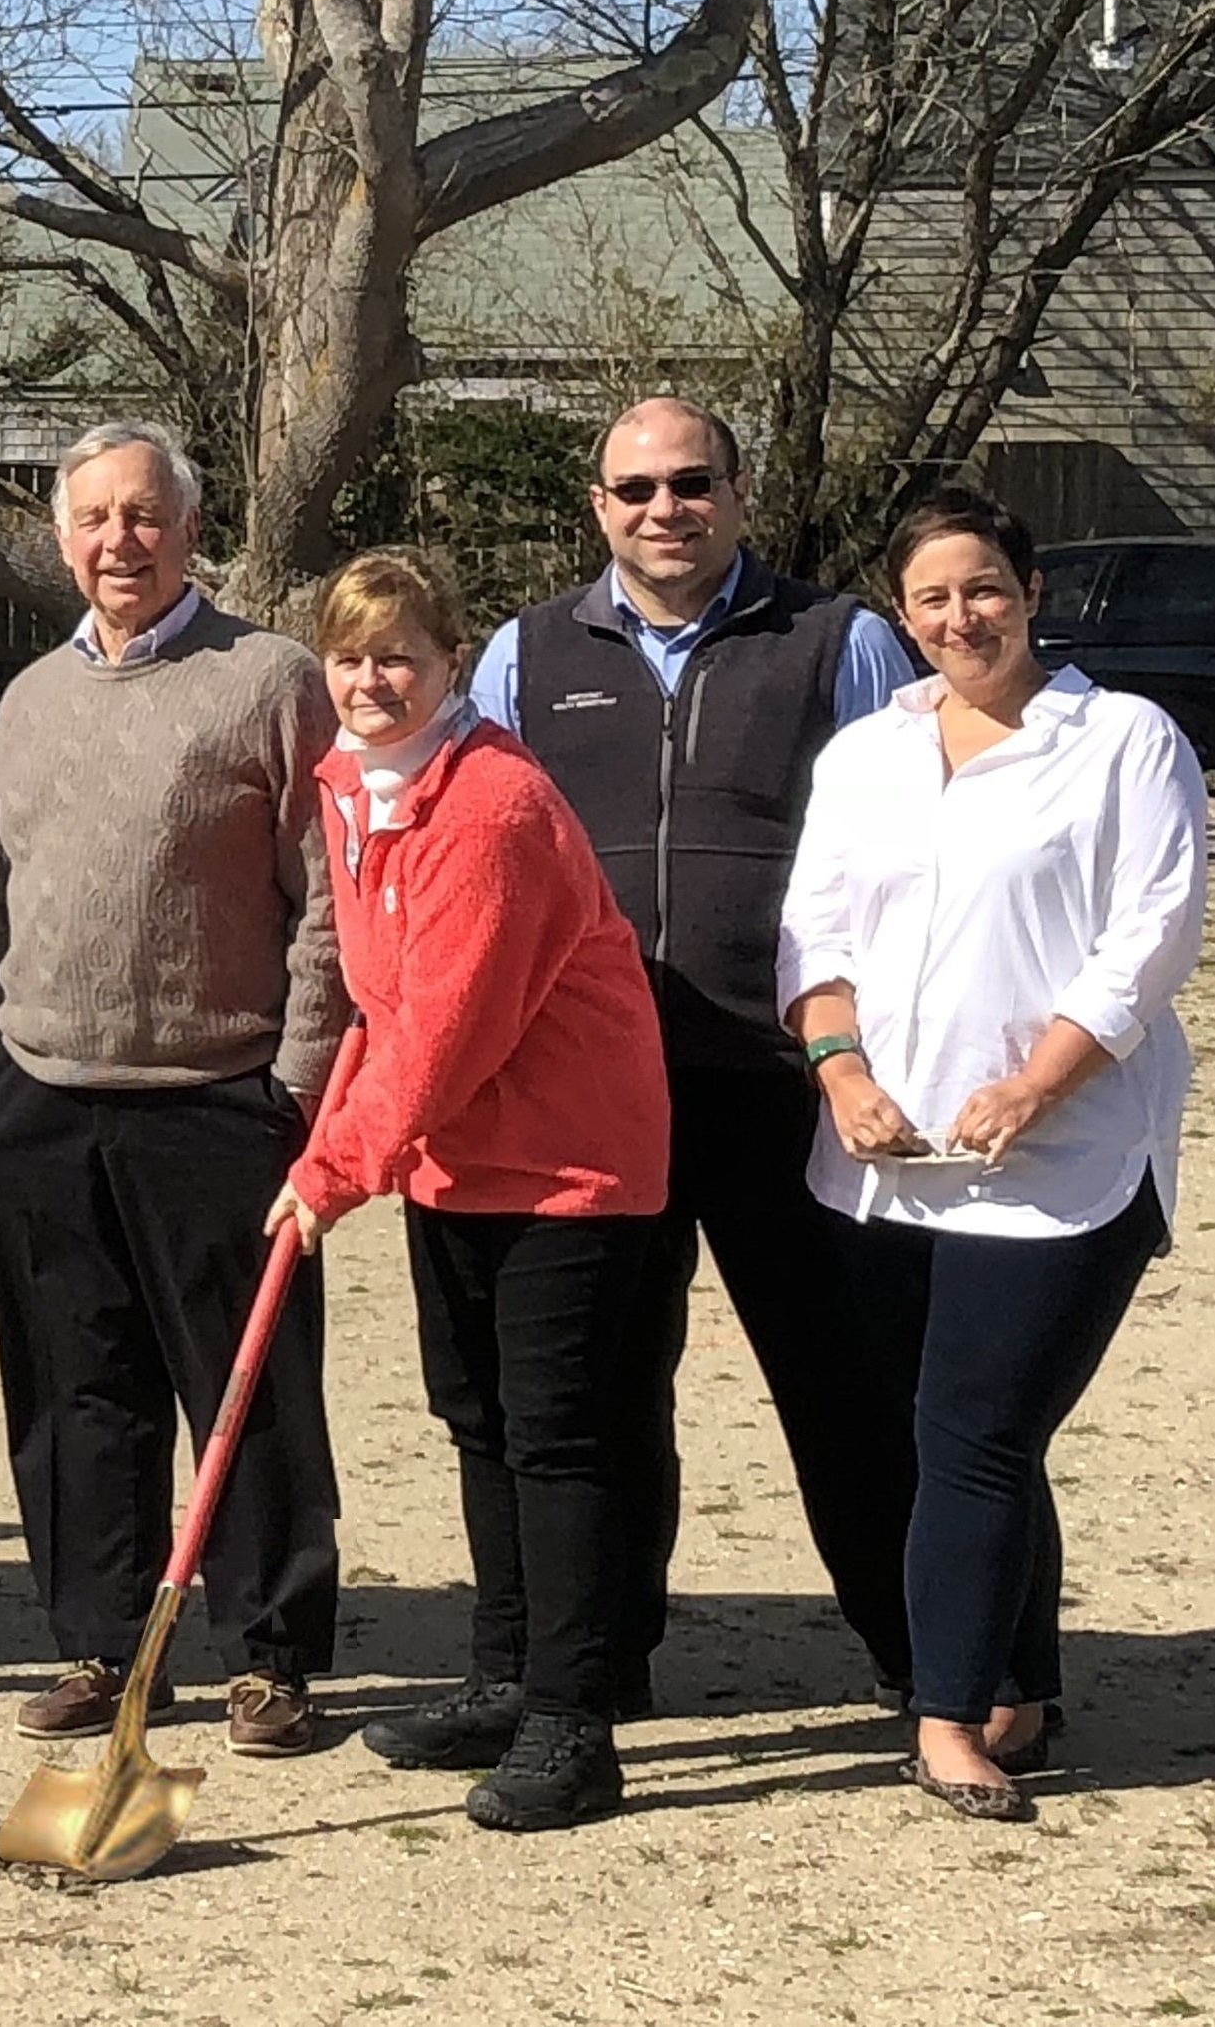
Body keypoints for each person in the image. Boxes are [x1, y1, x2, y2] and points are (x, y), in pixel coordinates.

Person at [468, 397, 926, 1705]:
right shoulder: (523, 652)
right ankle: (596, 1666)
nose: (662, 509)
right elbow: (487, 850)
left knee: (847, 1388)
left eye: (689, 483)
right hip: (599, 1094)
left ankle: (944, 1665)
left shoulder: (837, 642)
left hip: (791, 1088)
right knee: (600, 1396)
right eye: (634, 489)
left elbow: (908, 861)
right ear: (597, 505)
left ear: (736, 490)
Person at [780, 488, 1203, 1824]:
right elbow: (812, 933)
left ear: (1028, 588)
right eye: (930, 598)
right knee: (952, 1440)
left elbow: (1149, 936)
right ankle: (1020, 1678)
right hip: (881, 1164)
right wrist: (837, 1071)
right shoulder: (865, 754)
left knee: (973, 1430)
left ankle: (947, 1713)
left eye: (983, 587)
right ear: (900, 617)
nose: (961, 617)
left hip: (1061, 1165)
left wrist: (1037, 1079)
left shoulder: (1123, 740)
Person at [263, 550, 675, 1832]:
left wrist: (338, 1171)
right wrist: (330, 1130)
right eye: (347, 657)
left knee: (557, 1437)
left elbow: (448, 1026)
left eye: (397, 656)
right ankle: (504, 1676)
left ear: (450, 665)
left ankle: (572, 1717)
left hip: (566, 1164)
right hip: (457, 1161)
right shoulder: (350, 788)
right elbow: (376, 1009)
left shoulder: (488, 805)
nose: (370, 680)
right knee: (478, 1418)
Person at [0, 420, 346, 1757]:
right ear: (61, 536)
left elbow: (327, 899)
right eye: (94, 518)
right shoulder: (27, 698)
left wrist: (298, 1081)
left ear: (190, 527)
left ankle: (270, 1655)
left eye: (144, 515)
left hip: (216, 1094)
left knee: (243, 1390)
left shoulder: (268, 677)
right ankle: (96, 1637)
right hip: (41, 1093)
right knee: (75, 1387)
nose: (118, 540)